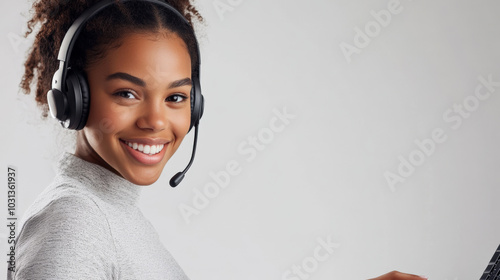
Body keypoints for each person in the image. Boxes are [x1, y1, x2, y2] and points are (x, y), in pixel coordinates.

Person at [8, 0, 429, 279]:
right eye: (127, 93)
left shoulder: (113, 215)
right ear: (72, 99)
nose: (156, 120)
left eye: (176, 97)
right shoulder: (75, 220)